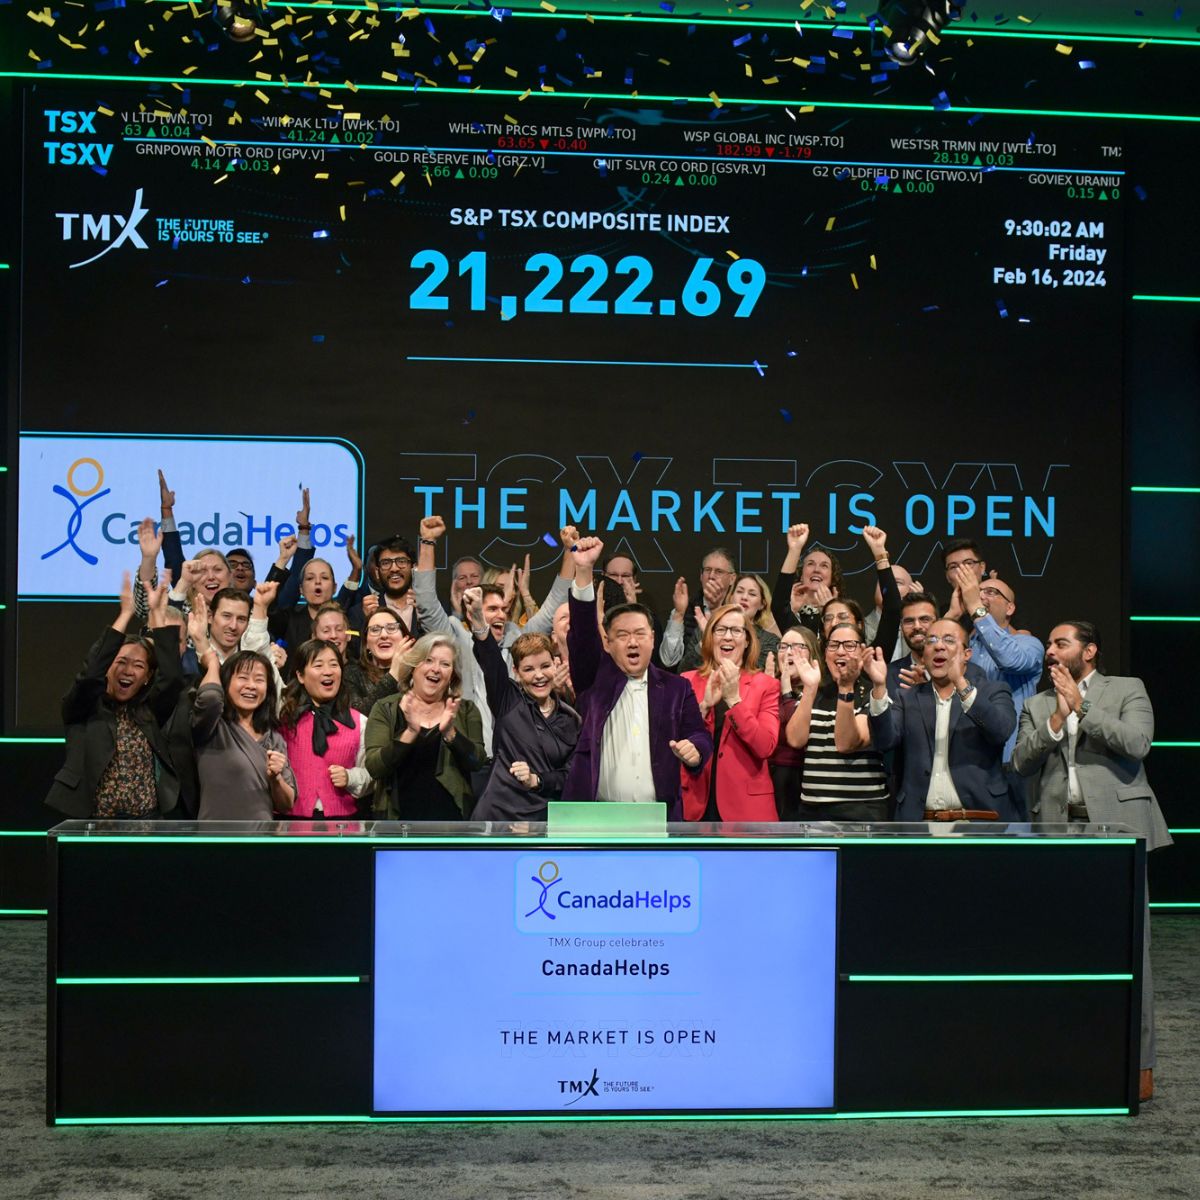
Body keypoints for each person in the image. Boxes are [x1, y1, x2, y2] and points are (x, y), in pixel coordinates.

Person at [1011, 621, 1169, 1101]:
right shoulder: (1038, 703)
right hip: (1059, 832)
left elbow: (1139, 745)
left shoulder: (1125, 689)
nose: (1051, 652)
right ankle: (1064, 1052)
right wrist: (1057, 721)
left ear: (1090, 650)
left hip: (1118, 832)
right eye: (1051, 645)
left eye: (1062, 644)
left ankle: (1138, 1065)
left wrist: (1083, 707)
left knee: (1128, 949)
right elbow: (1020, 762)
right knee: (1059, 946)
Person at [561, 537, 712, 816]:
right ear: (607, 643)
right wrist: (583, 572)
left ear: (653, 639)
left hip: (658, 819)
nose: (633, 642)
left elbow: (699, 735)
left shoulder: (677, 688)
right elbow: (582, 637)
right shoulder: (594, 679)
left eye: (640, 634)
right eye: (622, 635)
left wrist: (696, 750)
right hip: (596, 818)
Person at [45, 572, 185, 820]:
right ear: (108, 667)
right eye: (121, 662)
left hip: (147, 825)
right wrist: (125, 615)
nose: (128, 671)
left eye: (138, 666)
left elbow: (172, 678)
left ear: (148, 677)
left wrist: (158, 617)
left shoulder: (148, 711)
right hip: (93, 824)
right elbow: (90, 676)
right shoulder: (83, 707)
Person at [866, 621, 1019, 821]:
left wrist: (961, 684)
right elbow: (884, 741)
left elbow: (1000, 731)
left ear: (967, 654)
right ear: (924, 655)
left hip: (980, 819)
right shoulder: (907, 698)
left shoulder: (993, 691)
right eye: (932, 641)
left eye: (949, 640)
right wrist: (879, 687)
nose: (939, 646)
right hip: (920, 823)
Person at [466, 588, 581, 823]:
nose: (539, 676)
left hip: (544, 822)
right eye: (529, 669)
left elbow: (571, 776)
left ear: (555, 663)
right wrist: (478, 618)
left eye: (545, 666)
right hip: (498, 817)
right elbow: (491, 661)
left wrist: (536, 780)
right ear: (517, 673)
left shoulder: (571, 718)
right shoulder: (508, 700)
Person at [364, 633, 487, 820]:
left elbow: (476, 761)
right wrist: (410, 732)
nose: (436, 669)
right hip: (397, 825)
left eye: (445, 664)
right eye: (428, 660)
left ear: (452, 675)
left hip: (451, 824)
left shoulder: (465, 710)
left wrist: (450, 733)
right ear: (413, 666)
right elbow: (375, 767)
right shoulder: (385, 708)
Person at [679, 603, 779, 821]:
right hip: (695, 803)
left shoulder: (766, 685)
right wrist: (704, 707)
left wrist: (734, 700)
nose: (727, 637)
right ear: (710, 637)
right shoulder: (686, 681)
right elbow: (674, 741)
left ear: (747, 641)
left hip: (746, 809)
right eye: (720, 629)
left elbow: (765, 746)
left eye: (736, 630)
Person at [785, 621, 890, 821]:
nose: (840, 651)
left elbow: (846, 743)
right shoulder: (815, 691)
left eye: (849, 645)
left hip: (862, 810)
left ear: (862, 651)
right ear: (825, 653)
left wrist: (846, 689)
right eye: (833, 645)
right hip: (813, 810)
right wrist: (809, 689)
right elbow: (796, 740)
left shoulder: (874, 693)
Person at [191, 646, 295, 820]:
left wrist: (276, 778)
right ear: (225, 683)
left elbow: (287, 804)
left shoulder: (274, 738)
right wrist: (213, 664)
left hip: (261, 840)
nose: (251, 686)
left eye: (259, 680)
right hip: (216, 839)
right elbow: (210, 697)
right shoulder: (212, 726)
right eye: (243, 678)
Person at [279, 639, 372, 819]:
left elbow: (371, 774)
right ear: (300, 675)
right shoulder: (284, 717)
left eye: (334, 665)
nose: (328, 672)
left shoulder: (359, 721)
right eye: (318, 665)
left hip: (342, 825)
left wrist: (350, 777)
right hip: (290, 823)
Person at [769, 625, 821, 820]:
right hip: (768, 782)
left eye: (797, 646)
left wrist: (787, 694)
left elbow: (797, 737)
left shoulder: (819, 692)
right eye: (783, 646)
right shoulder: (766, 686)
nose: (789, 652)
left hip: (802, 783)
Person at [660, 546, 738, 672]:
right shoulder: (686, 608)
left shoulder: (739, 611)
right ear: (701, 575)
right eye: (707, 570)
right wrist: (679, 614)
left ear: (732, 578)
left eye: (718, 571)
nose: (711, 576)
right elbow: (668, 660)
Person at [771, 524, 845, 636]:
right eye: (810, 564)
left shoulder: (844, 613)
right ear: (801, 574)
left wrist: (829, 611)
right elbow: (779, 605)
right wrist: (795, 549)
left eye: (824, 566)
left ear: (833, 577)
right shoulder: (792, 613)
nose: (816, 570)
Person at [344, 607, 414, 716]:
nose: (384, 635)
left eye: (391, 628)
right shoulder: (352, 673)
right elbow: (357, 717)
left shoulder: (417, 672)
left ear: (404, 637)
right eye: (375, 630)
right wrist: (393, 674)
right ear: (366, 643)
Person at [731, 573, 781, 669]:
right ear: (731, 597)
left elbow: (758, 671)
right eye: (740, 591)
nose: (744, 597)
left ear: (762, 604)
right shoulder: (710, 632)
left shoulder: (770, 641)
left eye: (752, 594)